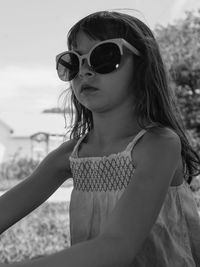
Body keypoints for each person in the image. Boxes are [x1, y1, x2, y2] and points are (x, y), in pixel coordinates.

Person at [0, 10, 200, 267]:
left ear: (143, 66)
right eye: (73, 62)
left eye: (104, 56)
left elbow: (116, 247)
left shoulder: (159, 145)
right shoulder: (69, 156)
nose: (84, 71)